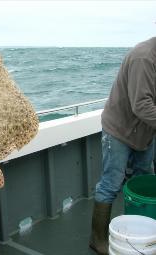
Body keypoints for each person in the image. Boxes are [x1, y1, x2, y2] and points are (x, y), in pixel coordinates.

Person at [90, 37, 156, 255]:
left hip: (146, 130)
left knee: (142, 177)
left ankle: (143, 233)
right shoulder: (144, 57)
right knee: (111, 183)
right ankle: (97, 239)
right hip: (119, 129)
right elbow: (142, 105)